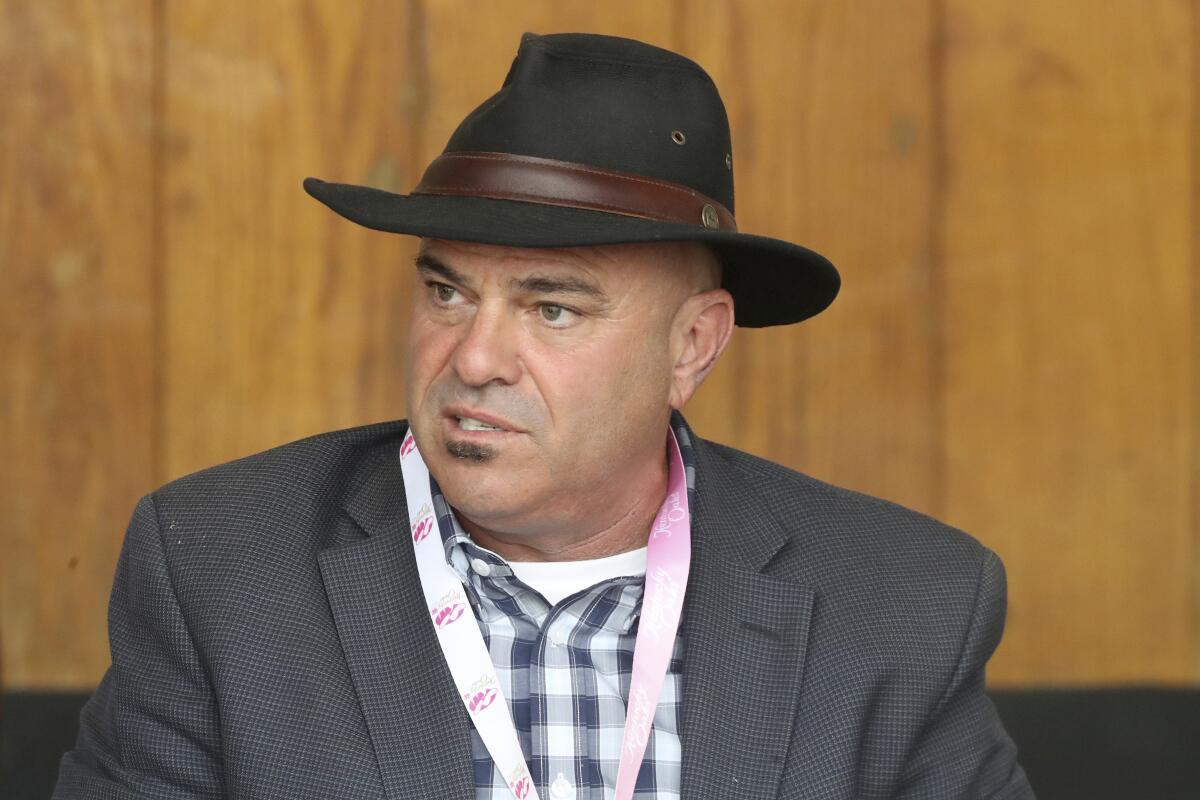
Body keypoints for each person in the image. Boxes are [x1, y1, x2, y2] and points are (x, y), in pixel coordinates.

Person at [54, 32, 1033, 800]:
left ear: (693, 344)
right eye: (445, 292)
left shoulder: (903, 604)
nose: (473, 358)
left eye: (551, 306)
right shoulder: (221, 569)